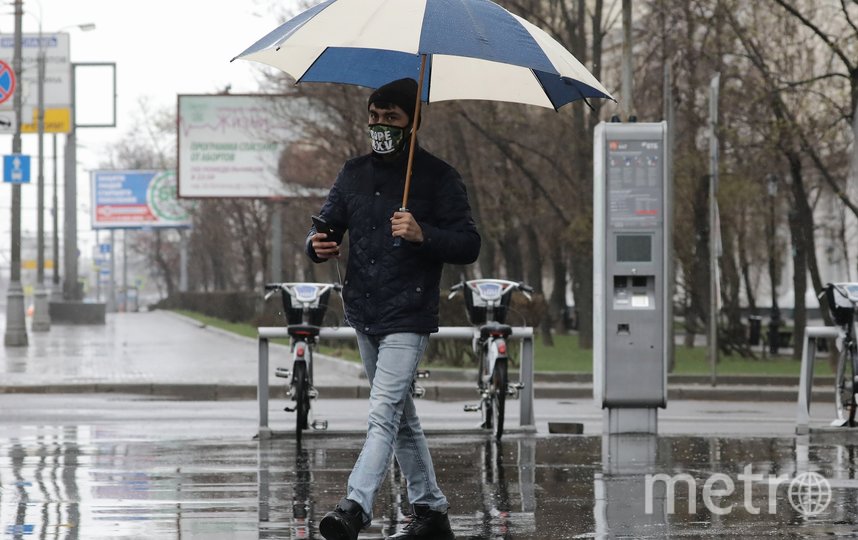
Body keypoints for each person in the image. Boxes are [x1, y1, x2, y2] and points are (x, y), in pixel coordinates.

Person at [306, 77, 480, 540]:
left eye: (392, 117)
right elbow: (328, 224)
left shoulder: (439, 177)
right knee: (401, 415)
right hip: (363, 309)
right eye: (376, 116)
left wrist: (424, 234)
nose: (381, 124)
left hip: (410, 310)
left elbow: (468, 244)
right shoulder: (353, 172)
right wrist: (317, 244)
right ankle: (432, 511)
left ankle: (354, 507)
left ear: (413, 123)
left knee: (382, 411)